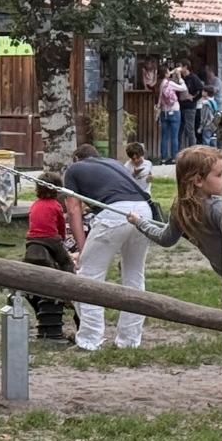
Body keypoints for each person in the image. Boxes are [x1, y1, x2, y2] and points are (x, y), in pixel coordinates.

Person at [62, 142, 157, 349]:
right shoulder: (114, 164)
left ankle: (89, 340)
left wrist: (81, 248)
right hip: (143, 211)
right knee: (134, 275)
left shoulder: (74, 169)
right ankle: (130, 340)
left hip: (114, 213)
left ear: (77, 159)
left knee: (89, 275)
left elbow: (74, 210)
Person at [132, 145, 222, 273]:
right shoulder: (218, 208)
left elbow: (165, 239)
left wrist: (139, 222)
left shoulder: (181, 208)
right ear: (198, 180)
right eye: (220, 175)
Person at [22, 171, 82, 345]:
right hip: (51, 239)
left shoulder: (34, 205)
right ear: (57, 190)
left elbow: (32, 222)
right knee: (65, 262)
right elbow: (60, 226)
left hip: (32, 239)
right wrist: (62, 241)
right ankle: (69, 290)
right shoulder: (55, 205)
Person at [156, 67, 184, 162]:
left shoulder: (161, 84)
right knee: (174, 136)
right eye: (168, 72)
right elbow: (183, 88)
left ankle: (163, 157)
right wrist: (179, 77)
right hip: (174, 110)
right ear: (166, 74)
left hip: (164, 111)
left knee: (164, 136)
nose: (169, 73)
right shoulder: (170, 84)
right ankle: (174, 157)